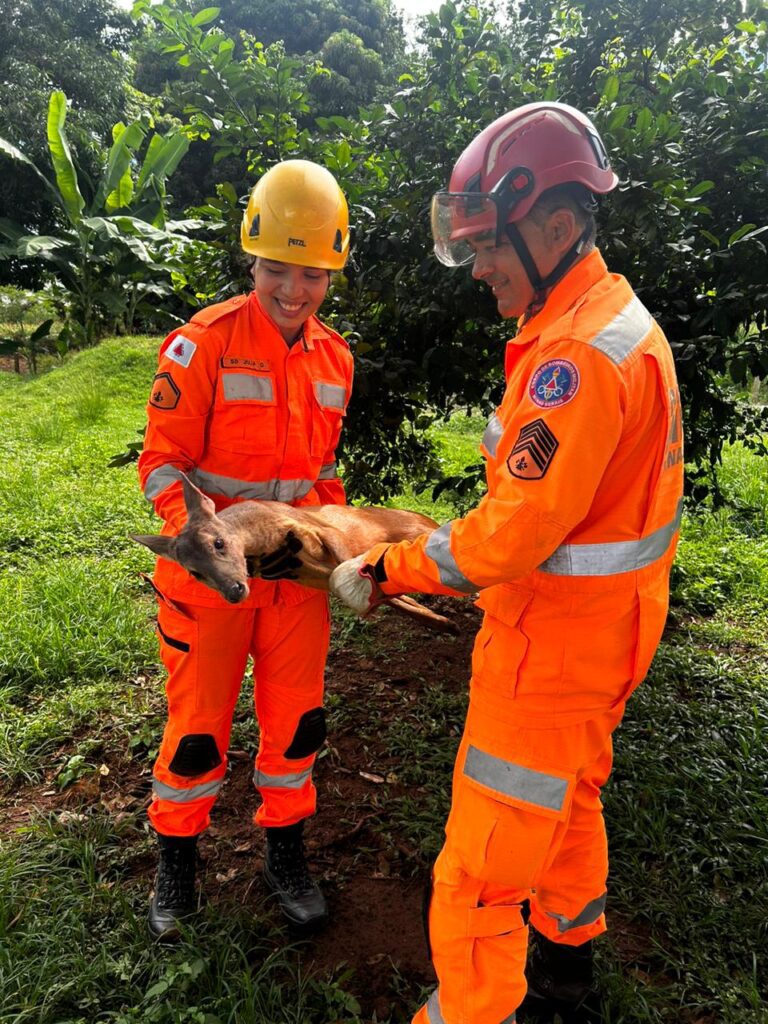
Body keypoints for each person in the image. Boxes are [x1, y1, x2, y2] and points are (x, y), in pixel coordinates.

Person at [328, 102, 684, 1022]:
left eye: (490, 245)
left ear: (557, 226)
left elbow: (513, 535)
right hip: (605, 642)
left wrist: (387, 568)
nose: (478, 265)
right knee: (566, 809)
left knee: (480, 873)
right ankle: (565, 983)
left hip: (549, 658)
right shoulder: (611, 321)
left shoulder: (574, 359)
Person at [137, 159, 353, 940]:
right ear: (251, 260)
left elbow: (324, 474)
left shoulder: (335, 360)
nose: (293, 291)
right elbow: (161, 459)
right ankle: (179, 861)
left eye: (312, 274)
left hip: (294, 581)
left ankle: (285, 853)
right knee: (197, 728)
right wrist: (199, 532)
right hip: (210, 584)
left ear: (331, 272)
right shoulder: (204, 344)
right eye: (275, 270)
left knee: (297, 726)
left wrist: (334, 546)